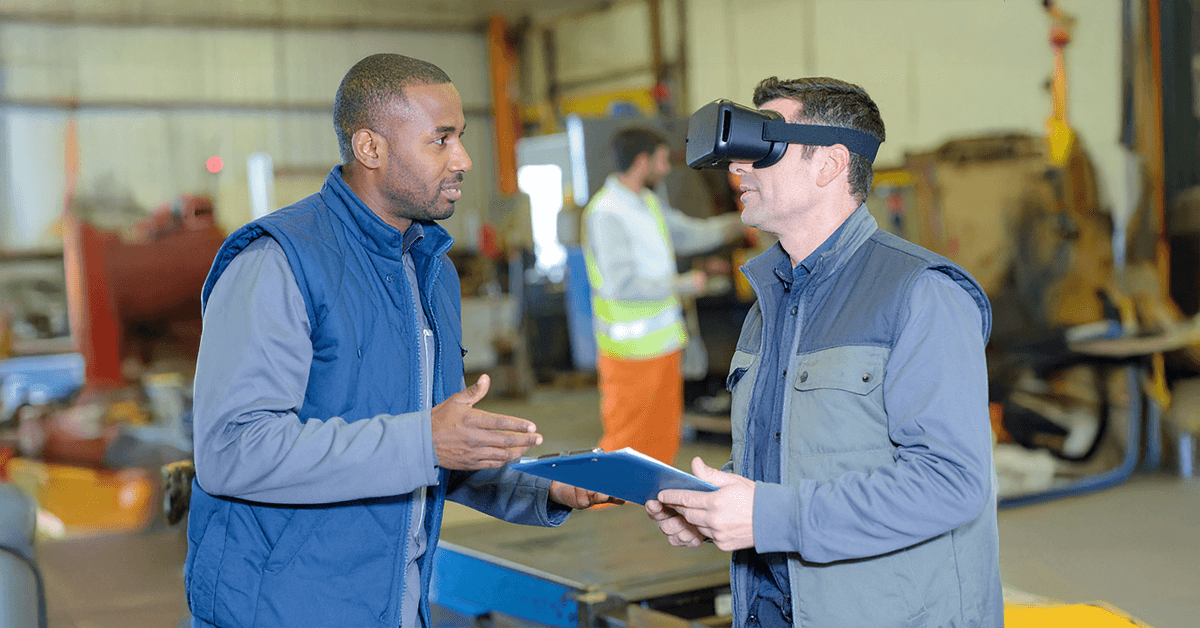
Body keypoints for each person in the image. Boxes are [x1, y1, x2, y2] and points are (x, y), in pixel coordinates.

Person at [185, 53, 613, 628]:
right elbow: (233, 450)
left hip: (394, 603)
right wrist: (426, 441)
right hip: (285, 609)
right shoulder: (280, 263)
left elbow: (427, 452)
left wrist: (544, 487)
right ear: (370, 148)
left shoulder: (429, 269)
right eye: (440, 140)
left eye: (460, 137)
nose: (462, 159)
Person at [646, 77, 1003, 627]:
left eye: (763, 146)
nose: (739, 169)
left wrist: (766, 516)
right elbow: (800, 452)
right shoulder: (771, 301)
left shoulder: (922, 293)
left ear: (831, 163)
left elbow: (951, 482)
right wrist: (714, 506)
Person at [582, 127, 745, 465]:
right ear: (643, 161)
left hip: (663, 346)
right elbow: (621, 285)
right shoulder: (607, 213)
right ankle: (605, 504)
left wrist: (742, 221)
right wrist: (683, 284)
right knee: (625, 441)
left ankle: (649, 504)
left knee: (661, 440)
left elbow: (688, 234)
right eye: (661, 159)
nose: (667, 168)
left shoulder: (647, 203)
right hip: (629, 353)